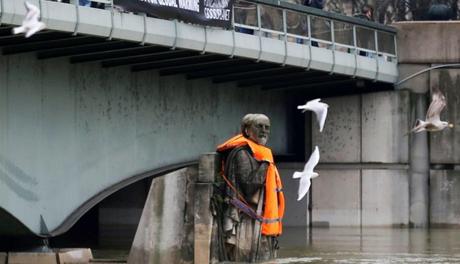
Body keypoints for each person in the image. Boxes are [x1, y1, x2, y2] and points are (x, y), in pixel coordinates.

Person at [214, 114, 285, 262]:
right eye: (259, 126)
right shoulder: (242, 154)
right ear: (246, 130)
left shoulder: (255, 153)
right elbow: (248, 186)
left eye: (267, 127)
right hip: (245, 220)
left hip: (258, 219)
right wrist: (266, 164)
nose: (264, 131)